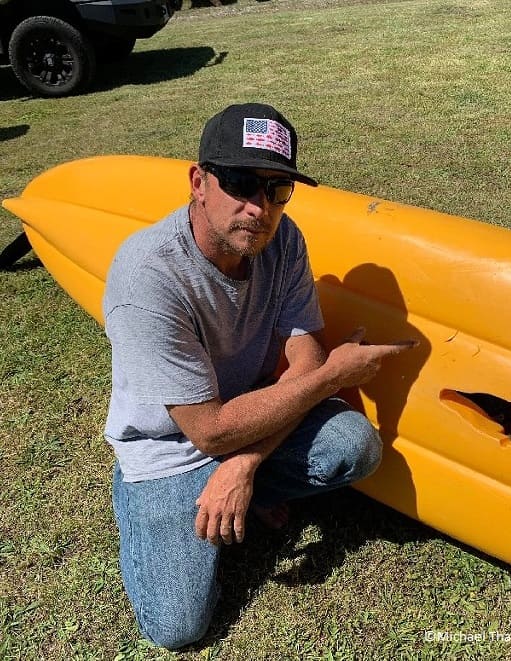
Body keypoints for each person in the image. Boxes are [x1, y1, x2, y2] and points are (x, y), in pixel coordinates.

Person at [103, 102, 415, 649]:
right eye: (243, 183)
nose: (260, 207)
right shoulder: (148, 277)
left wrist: (245, 463)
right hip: (169, 448)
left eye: (277, 189)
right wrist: (326, 381)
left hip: (249, 420)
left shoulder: (284, 239)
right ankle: (162, 507)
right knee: (177, 629)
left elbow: (306, 353)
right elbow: (208, 432)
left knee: (354, 445)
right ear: (199, 182)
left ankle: (243, 488)